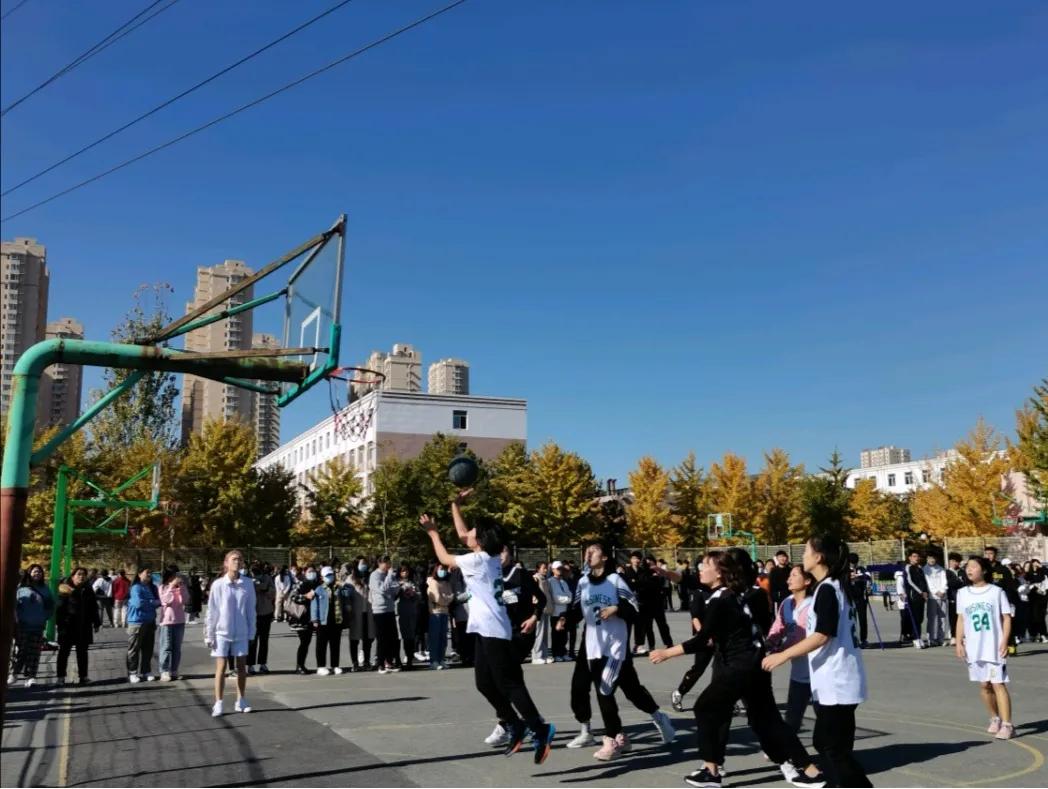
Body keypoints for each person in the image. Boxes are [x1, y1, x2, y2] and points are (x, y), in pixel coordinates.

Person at [650, 551, 826, 788]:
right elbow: (691, 582)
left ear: (720, 573)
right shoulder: (730, 594)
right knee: (767, 719)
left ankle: (711, 770)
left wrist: (666, 653)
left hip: (739, 666)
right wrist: (667, 573)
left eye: (705, 565)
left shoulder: (725, 599)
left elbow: (703, 639)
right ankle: (811, 771)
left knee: (705, 707)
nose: (700, 569)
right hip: (751, 664)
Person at [419, 491, 556, 765]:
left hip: (494, 629)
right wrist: (454, 505)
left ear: (480, 540)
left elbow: (445, 557)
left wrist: (433, 532)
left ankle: (539, 728)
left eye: (473, 531)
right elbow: (462, 535)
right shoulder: (487, 557)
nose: (467, 533)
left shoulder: (479, 560)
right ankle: (514, 723)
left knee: (510, 683)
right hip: (485, 628)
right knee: (484, 683)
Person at [763, 536, 870, 788]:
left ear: (819, 557)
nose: (803, 555)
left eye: (807, 551)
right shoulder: (833, 587)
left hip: (838, 680)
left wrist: (783, 655)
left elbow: (822, 635)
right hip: (836, 680)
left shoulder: (828, 589)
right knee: (828, 746)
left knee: (832, 748)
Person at [560, 541, 675, 760]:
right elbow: (576, 610)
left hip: (615, 646)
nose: (588, 554)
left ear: (604, 557)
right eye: (587, 552)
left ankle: (611, 739)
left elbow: (635, 608)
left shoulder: (615, 580)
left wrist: (616, 608)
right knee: (631, 690)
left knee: (604, 689)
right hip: (593, 646)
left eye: (594, 551)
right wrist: (565, 619)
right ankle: (652, 720)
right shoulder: (583, 582)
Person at [955, 556, 1015, 740]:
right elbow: (961, 619)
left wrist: (1005, 641)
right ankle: (995, 718)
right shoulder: (963, 593)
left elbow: (1006, 618)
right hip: (974, 647)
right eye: (968, 567)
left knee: (998, 683)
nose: (969, 569)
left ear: (984, 570)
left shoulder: (996, 592)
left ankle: (1007, 725)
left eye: (974, 566)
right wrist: (958, 641)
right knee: (984, 685)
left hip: (994, 647)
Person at [206, 550, 256, 716]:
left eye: (240, 559)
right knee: (221, 667)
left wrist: (251, 632)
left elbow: (251, 610)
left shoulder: (247, 584)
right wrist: (209, 634)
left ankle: (241, 700)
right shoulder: (218, 584)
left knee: (242, 667)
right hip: (222, 632)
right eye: (234, 559)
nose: (237, 562)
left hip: (241, 632)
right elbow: (212, 611)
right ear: (226, 563)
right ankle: (218, 702)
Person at [767, 565, 815, 731]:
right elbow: (778, 627)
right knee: (792, 717)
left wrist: (777, 653)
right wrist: (768, 643)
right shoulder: (786, 603)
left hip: (817, 670)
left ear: (807, 581)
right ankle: (789, 745)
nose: (789, 579)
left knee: (825, 718)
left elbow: (799, 638)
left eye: (794, 575)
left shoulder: (812, 605)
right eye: (789, 576)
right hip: (799, 671)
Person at [55, 567, 101, 686]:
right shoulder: (64, 588)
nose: (81, 576)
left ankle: (83, 676)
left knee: (82, 652)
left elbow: (93, 607)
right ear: (73, 576)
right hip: (68, 625)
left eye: (84, 574)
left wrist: (96, 622)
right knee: (64, 652)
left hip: (84, 625)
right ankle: (60, 677)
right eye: (79, 574)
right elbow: (59, 608)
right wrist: (60, 623)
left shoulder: (88, 588)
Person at [12, 564, 55, 687]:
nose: (37, 574)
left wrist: (44, 617)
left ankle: (31, 676)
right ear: (29, 573)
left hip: (38, 626)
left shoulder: (45, 589)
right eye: (35, 571)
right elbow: (14, 606)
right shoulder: (21, 588)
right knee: (20, 651)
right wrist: (17, 620)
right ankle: (14, 673)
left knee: (35, 652)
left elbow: (50, 606)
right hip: (22, 626)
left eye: (39, 572)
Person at [313, 565, 351, 674]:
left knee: (335, 644)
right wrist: (314, 619)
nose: (329, 577)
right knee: (321, 645)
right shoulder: (319, 589)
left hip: (336, 620)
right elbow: (314, 605)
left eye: (331, 575)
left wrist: (343, 584)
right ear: (322, 577)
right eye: (327, 575)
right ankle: (321, 666)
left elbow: (349, 593)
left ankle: (335, 665)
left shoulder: (338, 588)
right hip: (323, 621)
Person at [127, 566, 161, 683]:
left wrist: (151, 603)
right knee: (134, 649)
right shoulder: (136, 588)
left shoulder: (152, 587)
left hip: (150, 621)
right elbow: (138, 604)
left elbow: (159, 602)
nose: (149, 575)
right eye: (147, 572)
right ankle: (132, 672)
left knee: (148, 649)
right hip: (137, 622)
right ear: (139, 574)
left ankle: (146, 671)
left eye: (151, 572)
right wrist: (152, 602)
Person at [370, 555, 402, 674]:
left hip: (390, 609)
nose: (388, 565)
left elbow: (394, 589)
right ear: (379, 563)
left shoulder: (389, 575)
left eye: (389, 562)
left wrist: (395, 585)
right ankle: (380, 664)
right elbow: (382, 589)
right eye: (385, 563)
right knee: (382, 638)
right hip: (379, 611)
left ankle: (389, 662)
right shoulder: (375, 575)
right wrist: (389, 577)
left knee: (392, 637)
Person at [158, 566, 187, 681]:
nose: (177, 578)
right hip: (167, 621)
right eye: (175, 575)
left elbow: (184, 600)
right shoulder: (162, 587)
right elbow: (166, 600)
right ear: (170, 576)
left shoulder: (180, 587)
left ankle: (174, 670)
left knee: (177, 647)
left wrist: (181, 587)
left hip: (179, 621)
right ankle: (164, 671)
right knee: (166, 647)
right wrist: (171, 587)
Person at [287, 565, 319, 674]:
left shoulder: (318, 584)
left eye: (313, 571)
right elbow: (293, 597)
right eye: (309, 571)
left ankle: (302, 665)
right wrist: (305, 596)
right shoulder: (300, 584)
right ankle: (299, 665)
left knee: (307, 641)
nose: (312, 573)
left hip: (314, 617)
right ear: (305, 573)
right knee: (304, 641)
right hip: (302, 617)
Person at [247, 562, 276, 674]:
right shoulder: (247, 580)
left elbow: (273, 592)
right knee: (252, 640)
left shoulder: (267, 578)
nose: (255, 571)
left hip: (266, 612)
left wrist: (263, 588)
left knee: (264, 640)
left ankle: (263, 663)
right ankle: (250, 665)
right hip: (252, 614)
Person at [347, 557, 376, 671]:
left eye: (365, 563)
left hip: (368, 612)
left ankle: (366, 661)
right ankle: (355, 663)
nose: (364, 565)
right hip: (356, 612)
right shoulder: (351, 578)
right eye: (361, 563)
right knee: (354, 639)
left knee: (368, 639)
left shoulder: (370, 577)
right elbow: (347, 595)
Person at [427, 563, 455, 669]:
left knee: (443, 638)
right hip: (435, 613)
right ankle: (433, 661)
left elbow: (451, 596)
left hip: (445, 612)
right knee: (435, 638)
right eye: (440, 568)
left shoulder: (447, 583)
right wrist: (446, 599)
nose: (442, 571)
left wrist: (445, 599)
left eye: (443, 569)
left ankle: (441, 659)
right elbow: (437, 598)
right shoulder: (433, 582)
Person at [396, 564, 420, 670]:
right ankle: (397, 660)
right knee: (398, 638)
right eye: (402, 571)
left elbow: (419, 596)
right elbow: (393, 596)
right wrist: (400, 589)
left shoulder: (413, 583)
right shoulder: (396, 582)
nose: (405, 573)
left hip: (411, 613)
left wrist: (413, 593)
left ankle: (409, 660)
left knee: (409, 638)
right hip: (399, 613)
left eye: (406, 571)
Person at [548, 561, 573, 661]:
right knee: (556, 634)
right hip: (555, 612)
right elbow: (555, 598)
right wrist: (567, 599)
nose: (560, 570)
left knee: (564, 633)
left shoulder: (563, 582)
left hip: (564, 611)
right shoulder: (550, 581)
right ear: (553, 570)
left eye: (561, 568)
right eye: (558, 569)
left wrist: (568, 598)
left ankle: (563, 652)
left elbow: (569, 594)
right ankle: (556, 654)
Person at [905, 551, 929, 647]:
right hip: (914, 595)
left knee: (920, 618)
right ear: (910, 558)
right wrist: (920, 592)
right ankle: (916, 638)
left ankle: (918, 637)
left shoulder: (920, 568)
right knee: (915, 618)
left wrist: (925, 591)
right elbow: (910, 581)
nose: (916, 558)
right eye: (914, 556)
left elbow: (924, 581)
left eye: (917, 556)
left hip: (921, 596)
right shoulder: (908, 567)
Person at [531, 562, 554, 664]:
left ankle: (544, 655)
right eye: (543, 568)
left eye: (546, 568)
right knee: (538, 633)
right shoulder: (535, 578)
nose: (546, 570)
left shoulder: (545, 579)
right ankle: (536, 656)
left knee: (544, 634)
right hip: (538, 609)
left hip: (546, 609)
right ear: (538, 569)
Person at [924, 554, 948, 646]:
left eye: (933, 558)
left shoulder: (941, 569)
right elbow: (928, 583)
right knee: (932, 619)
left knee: (942, 618)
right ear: (927, 559)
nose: (932, 560)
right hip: (932, 597)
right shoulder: (925, 569)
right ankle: (931, 639)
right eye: (930, 558)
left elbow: (944, 581)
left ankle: (941, 639)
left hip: (943, 596)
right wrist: (936, 592)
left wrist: (943, 591)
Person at [847, 555, 871, 648]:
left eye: (855, 563)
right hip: (850, 598)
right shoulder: (846, 571)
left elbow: (868, 576)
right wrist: (850, 577)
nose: (853, 565)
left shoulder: (861, 569)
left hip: (861, 598)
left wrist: (857, 576)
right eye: (852, 563)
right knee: (852, 620)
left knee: (863, 619)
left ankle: (864, 639)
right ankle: (853, 639)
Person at [946, 552, 967, 645]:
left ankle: (964, 636)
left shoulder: (962, 572)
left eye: (957, 561)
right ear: (949, 561)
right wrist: (959, 581)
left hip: (963, 598)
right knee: (953, 618)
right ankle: (954, 636)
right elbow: (950, 583)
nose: (955, 563)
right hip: (952, 598)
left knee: (963, 618)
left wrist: (959, 581)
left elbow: (966, 583)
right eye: (952, 561)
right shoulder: (947, 572)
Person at [1026, 558, 1047, 643]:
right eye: (1034, 563)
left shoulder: (1041, 572)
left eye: (1037, 562)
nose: (1035, 564)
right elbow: (1028, 582)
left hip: (1042, 597)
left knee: (1041, 616)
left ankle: (1043, 634)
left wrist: (1041, 566)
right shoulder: (1028, 573)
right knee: (1034, 616)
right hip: (1033, 597)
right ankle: (1035, 634)